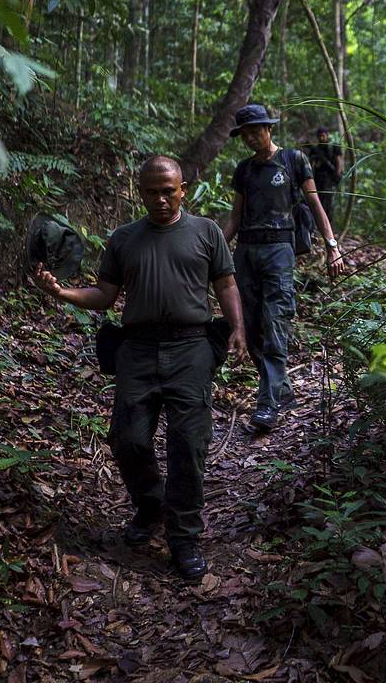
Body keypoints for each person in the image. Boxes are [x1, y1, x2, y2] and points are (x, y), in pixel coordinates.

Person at [31, 155, 246, 581]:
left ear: (183, 189)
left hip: (192, 348)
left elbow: (225, 284)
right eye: (152, 191)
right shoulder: (124, 238)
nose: (161, 199)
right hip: (138, 350)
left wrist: (238, 328)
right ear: (140, 192)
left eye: (169, 191)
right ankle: (152, 505)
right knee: (128, 439)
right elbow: (105, 295)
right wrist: (61, 293)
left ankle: (184, 538)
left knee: (188, 444)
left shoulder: (206, 232)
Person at [222, 104, 346, 432]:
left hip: (279, 249)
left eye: (256, 131)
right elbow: (235, 216)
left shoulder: (293, 160)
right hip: (246, 250)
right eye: (245, 134)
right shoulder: (244, 170)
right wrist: (215, 252)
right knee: (253, 327)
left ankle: (268, 403)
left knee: (275, 319)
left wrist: (332, 247)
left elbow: (315, 203)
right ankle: (281, 389)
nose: (251, 138)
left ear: (269, 128)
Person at [305, 125, 344, 226]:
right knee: (318, 202)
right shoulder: (316, 149)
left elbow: (339, 161)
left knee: (329, 204)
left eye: (323, 136)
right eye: (319, 136)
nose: (321, 138)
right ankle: (318, 225)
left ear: (327, 135)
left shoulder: (333, 147)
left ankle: (329, 225)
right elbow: (311, 163)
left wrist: (337, 174)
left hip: (329, 179)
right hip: (318, 179)